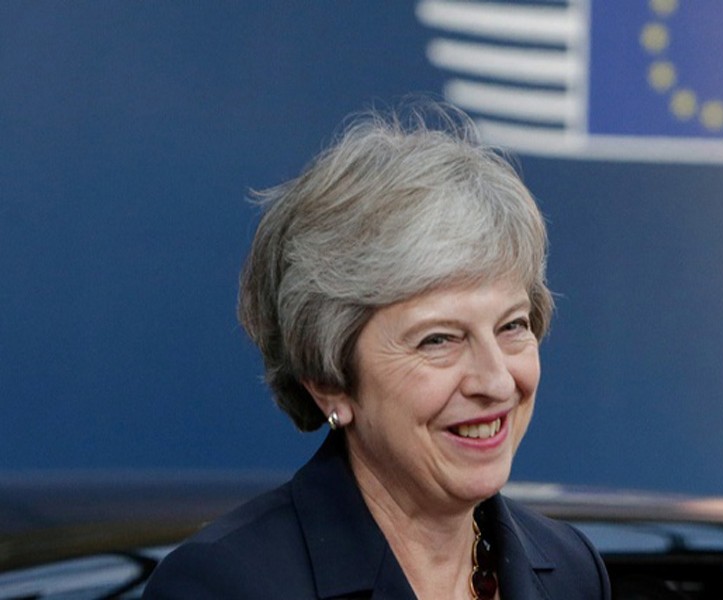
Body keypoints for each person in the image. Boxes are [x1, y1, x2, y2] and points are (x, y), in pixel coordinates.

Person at [142, 102, 610, 599]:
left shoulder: (571, 570)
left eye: (512, 326)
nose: (495, 382)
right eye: (438, 339)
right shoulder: (225, 585)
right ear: (329, 382)